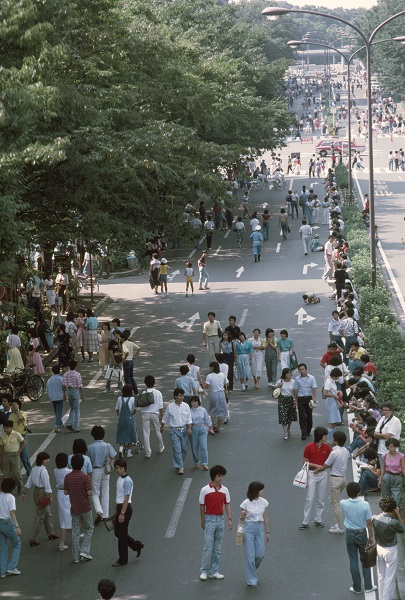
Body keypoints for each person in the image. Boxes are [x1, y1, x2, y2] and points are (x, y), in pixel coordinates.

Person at [340, 482, 377, 594]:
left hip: (350, 534)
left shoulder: (343, 503)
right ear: (358, 492)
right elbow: (369, 522)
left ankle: (357, 587)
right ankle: (368, 586)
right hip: (361, 534)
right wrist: (371, 536)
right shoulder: (365, 505)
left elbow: (347, 498)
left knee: (353, 561)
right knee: (365, 560)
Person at [199, 465, 232, 581]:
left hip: (220, 519)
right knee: (208, 547)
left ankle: (214, 571)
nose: (221, 478)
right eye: (219, 476)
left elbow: (227, 504)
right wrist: (203, 520)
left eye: (222, 476)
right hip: (210, 519)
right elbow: (202, 507)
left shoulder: (225, 490)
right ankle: (204, 571)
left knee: (217, 548)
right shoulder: (205, 490)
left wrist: (229, 519)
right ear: (214, 476)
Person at [315, 430, 350, 534]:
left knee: (336, 504)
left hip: (335, 479)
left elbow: (325, 465)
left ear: (336, 440)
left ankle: (340, 527)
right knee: (334, 501)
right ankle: (336, 524)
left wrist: (317, 470)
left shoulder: (334, 452)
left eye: (333, 438)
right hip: (343, 479)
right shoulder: (345, 451)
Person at [21, 451, 58, 546]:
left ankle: (51, 533)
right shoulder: (43, 471)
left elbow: (29, 482)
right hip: (43, 494)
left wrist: (24, 493)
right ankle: (33, 538)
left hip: (36, 493)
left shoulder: (34, 469)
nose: (48, 460)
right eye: (46, 459)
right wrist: (50, 497)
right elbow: (47, 485)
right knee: (40, 517)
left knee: (47, 514)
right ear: (41, 460)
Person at [112, 458, 143, 567]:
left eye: (120, 468)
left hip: (125, 508)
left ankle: (123, 559)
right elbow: (118, 496)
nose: (118, 470)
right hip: (120, 507)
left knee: (121, 535)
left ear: (125, 468)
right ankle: (136, 545)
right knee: (118, 533)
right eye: (116, 468)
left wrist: (122, 513)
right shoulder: (119, 478)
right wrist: (115, 510)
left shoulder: (127, 481)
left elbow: (126, 498)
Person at [299, 427, 332, 530]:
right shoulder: (309, 447)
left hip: (322, 474)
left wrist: (320, 468)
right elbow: (304, 462)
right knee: (310, 498)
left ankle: (318, 520)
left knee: (321, 499)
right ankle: (305, 521)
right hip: (311, 474)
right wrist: (318, 466)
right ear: (320, 436)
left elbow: (330, 462)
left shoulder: (328, 448)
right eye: (325, 435)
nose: (327, 437)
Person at [64, 453, 94, 563]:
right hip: (85, 506)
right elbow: (90, 492)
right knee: (89, 528)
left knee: (75, 531)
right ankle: (85, 551)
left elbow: (66, 492)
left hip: (74, 507)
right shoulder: (85, 477)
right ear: (82, 464)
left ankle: (76, 557)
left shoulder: (68, 477)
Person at [373, 496, 404, 600]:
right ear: (393, 509)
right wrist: (398, 514)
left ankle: (381, 597)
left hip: (379, 548)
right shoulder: (393, 522)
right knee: (390, 578)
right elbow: (402, 528)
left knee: (381, 575)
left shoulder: (376, 518)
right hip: (390, 550)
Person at [240, 482, 270, 587]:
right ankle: (252, 579)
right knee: (250, 556)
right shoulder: (246, 503)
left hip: (260, 528)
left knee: (260, 554)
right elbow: (241, 519)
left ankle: (251, 569)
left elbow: (265, 517)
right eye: (261, 489)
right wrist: (243, 516)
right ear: (256, 491)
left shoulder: (264, 502)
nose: (263, 491)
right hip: (249, 528)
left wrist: (267, 531)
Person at [87, 425, 117, 525]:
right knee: (105, 491)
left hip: (95, 470)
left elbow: (88, 461)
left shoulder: (90, 447)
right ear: (103, 435)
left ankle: (99, 510)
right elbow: (113, 458)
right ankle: (105, 515)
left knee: (95, 493)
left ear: (93, 435)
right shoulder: (108, 445)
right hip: (106, 470)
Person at [160, 388, 192, 475]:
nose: (182, 397)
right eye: (180, 396)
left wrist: (189, 428)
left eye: (182, 395)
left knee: (184, 449)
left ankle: (179, 463)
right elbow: (165, 418)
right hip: (174, 430)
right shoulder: (170, 407)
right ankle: (180, 466)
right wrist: (161, 427)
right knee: (177, 449)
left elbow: (189, 419)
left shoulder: (186, 406)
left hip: (184, 430)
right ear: (175, 396)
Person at [0, 478, 22, 577]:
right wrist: (17, 526)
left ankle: (3, 571)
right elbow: (11, 513)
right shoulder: (11, 497)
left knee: (3, 547)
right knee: (17, 543)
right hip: (7, 522)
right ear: (12, 487)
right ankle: (12, 567)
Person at [139, 375, 165, 458]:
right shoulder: (158, 393)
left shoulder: (143, 392)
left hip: (145, 414)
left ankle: (148, 452)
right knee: (158, 431)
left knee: (146, 433)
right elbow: (161, 406)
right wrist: (161, 415)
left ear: (145, 383)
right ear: (154, 382)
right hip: (155, 414)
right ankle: (161, 447)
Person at [0, 421, 26, 495]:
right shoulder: (2, 436)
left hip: (14, 455)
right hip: (6, 455)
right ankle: (8, 488)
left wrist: (19, 451)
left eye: (7, 428)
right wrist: (0, 459)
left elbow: (24, 443)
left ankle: (20, 485)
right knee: (6, 474)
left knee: (16, 473)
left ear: (11, 428)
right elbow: (1, 448)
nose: (6, 429)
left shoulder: (16, 434)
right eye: (4, 428)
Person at [293, 363, 317, 440]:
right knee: (302, 416)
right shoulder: (297, 379)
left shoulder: (312, 378)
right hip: (301, 399)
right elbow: (296, 389)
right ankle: (303, 433)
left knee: (309, 416)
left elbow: (314, 388)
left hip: (309, 398)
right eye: (300, 370)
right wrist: (295, 399)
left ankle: (308, 430)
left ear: (306, 369)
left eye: (303, 369)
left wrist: (314, 398)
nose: (302, 371)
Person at [54, 453, 72, 551]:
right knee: (68, 517)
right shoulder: (69, 471)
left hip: (60, 493)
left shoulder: (55, 470)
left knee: (65, 516)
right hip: (67, 494)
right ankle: (61, 543)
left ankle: (75, 533)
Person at [378, 438, 405, 505]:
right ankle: (386, 513)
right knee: (386, 498)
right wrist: (380, 479)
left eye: (395, 447)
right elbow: (383, 468)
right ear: (387, 447)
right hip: (387, 476)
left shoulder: (401, 456)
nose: (393, 448)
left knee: (396, 499)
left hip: (397, 477)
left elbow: (403, 468)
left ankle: (395, 513)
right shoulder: (385, 455)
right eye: (391, 447)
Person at [8, 399, 31, 477]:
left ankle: (30, 472)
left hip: (22, 437)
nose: (13, 407)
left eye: (14, 405)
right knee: (13, 457)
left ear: (18, 405)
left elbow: (21, 418)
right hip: (13, 438)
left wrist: (17, 410)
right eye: (12, 405)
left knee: (24, 456)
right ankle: (13, 475)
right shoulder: (11, 415)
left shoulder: (23, 413)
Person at [274, 368, 297, 440]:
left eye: (290, 373)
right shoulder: (280, 381)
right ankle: (285, 433)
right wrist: (279, 386)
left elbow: (295, 391)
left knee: (289, 416)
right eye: (287, 373)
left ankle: (288, 429)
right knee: (283, 416)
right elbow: (274, 388)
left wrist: (295, 400)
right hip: (282, 399)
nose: (289, 374)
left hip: (290, 399)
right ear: (284, 374)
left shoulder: (293, 382)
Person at [190, 396, 212, 471]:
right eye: (192, 402)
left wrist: (210, 427)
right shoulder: (189, 411)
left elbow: (207, 419)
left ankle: (205, 463)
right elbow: (188, 421)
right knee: (194, 447)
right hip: (194, 428)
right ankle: (196, 462)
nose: (193, 403)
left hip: (202, 429)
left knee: (203, 447)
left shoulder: (203, 410)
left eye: (195, 401)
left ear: (198, 402)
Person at [115, 384, 137, 458]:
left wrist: (118, 415)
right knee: (130, 435)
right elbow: (134, 410)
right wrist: (132, 414)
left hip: (121, 419)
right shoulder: (132, 399)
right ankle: (129, 453)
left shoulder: (119, 399)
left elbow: (117, 409)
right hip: (129, 419)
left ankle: (120, 449)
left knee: (121, 434)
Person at [205, 362, 227, 433]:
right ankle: (218, 427)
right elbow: (226, 383)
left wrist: (203, 384)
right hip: (221, 394)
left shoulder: (209, 376)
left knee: (212, 409)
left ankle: (214, 424)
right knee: (220, 411)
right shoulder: (222, 375)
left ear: (213, 367)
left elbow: (207, 387)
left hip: (213, 394)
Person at [323, 367, 343, 444]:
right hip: (330, 402)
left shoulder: (332, 381)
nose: (338, 378)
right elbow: (325, 393)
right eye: (338, 376)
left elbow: (333, 391)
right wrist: (334, 396)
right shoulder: (329, 382)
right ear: (335, 376)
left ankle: (331, 438)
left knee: (334, 421)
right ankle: (328, 439)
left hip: (333, 402)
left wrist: (338, 392)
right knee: (332, 421)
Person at [63, 360, 84, 433]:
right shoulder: (77, 374)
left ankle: (69, 423)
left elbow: (64, 385)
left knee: (72, 408)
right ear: (75, 366)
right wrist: (82, 394)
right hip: (75, 391)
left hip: (68, 391)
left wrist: (64, 394)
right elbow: (79, 385)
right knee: (77, 410)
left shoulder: (66, 374)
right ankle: (77, 427)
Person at [120, 330, 141, 395]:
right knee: (131, 377)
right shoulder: (130, 343)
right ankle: (136, 391)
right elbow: (138, 349)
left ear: (123, 338)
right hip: (131, 361)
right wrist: (134, 356)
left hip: (127, 362)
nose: (120, 339)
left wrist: (124, 358)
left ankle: (129, 392)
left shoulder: (124, 344)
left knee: (127, 379)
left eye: (121, 338)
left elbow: (126, 352)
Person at [46, 365, 64, 433]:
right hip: (60, 396)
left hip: (52, 397)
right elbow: (63, 387)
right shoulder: (61, 379)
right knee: (59, 411)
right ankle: (56, 425)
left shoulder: (50, 380)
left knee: (56, 411)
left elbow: (47, 388)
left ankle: (60, 423)